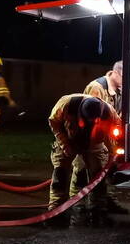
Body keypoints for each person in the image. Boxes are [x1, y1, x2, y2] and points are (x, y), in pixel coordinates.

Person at [47, 94, 117, 227]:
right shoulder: (66, 104)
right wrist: (64, 144)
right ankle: (56, 209)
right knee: (60, 174)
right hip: (69, 139)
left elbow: (116, 133)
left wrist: (113, 154)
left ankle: (97, 209)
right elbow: (54, 122)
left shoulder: (109, 112)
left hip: (94, 144)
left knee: (98, 177)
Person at [72, 60, 124, 201]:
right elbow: (91, 119)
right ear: (116, 73)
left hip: (106, 140)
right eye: (124, 77)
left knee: (109, 171)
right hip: (90, 139)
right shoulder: (97, 88)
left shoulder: (119, 90)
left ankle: (106, 201)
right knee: (84, 171)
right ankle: (77, 204)